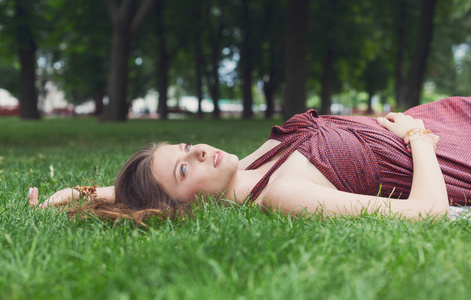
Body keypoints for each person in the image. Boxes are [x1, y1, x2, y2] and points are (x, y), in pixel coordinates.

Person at [28, 96, 471, 223]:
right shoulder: (280, 194)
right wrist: (416, 137)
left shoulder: (252, 163)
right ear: (189, 206)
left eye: (185, 147)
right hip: (448, 151)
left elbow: (142, 195)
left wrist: (72, 192)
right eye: (187, 167)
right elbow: (426, 212)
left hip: (445, 118)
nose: (198, 151)